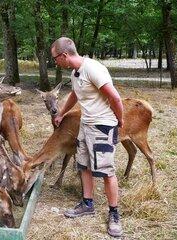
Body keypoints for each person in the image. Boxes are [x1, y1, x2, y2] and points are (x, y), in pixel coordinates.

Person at [51, 37, 124, 237]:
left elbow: (115, 97)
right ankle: (87, 203)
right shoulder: (76, 72)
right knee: (83, 165)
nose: (55, 62)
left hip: (102, 126)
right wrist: (62, 113)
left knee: (107, 171)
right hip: (86, 125)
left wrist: (119, 119)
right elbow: (75, 94)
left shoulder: (93, 69)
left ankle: (114, 214)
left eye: (55, 58)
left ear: (65, 55)